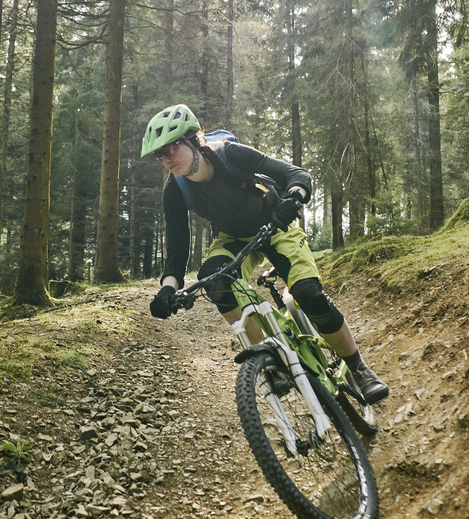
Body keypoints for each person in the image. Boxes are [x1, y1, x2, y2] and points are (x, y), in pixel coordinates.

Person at [141, 103, 388, 404]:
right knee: (213, 282)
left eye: (171, 148)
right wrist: (167, 290)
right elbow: (177, 248)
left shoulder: (230, 154)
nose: (165, 158)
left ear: (193, 139)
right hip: (232, 237)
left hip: (275, 223)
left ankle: (358, 367)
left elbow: (296, 174)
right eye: (159, 154)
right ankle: (271, 357)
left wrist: (293, 199)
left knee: (308, 294)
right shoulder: (175, 190)